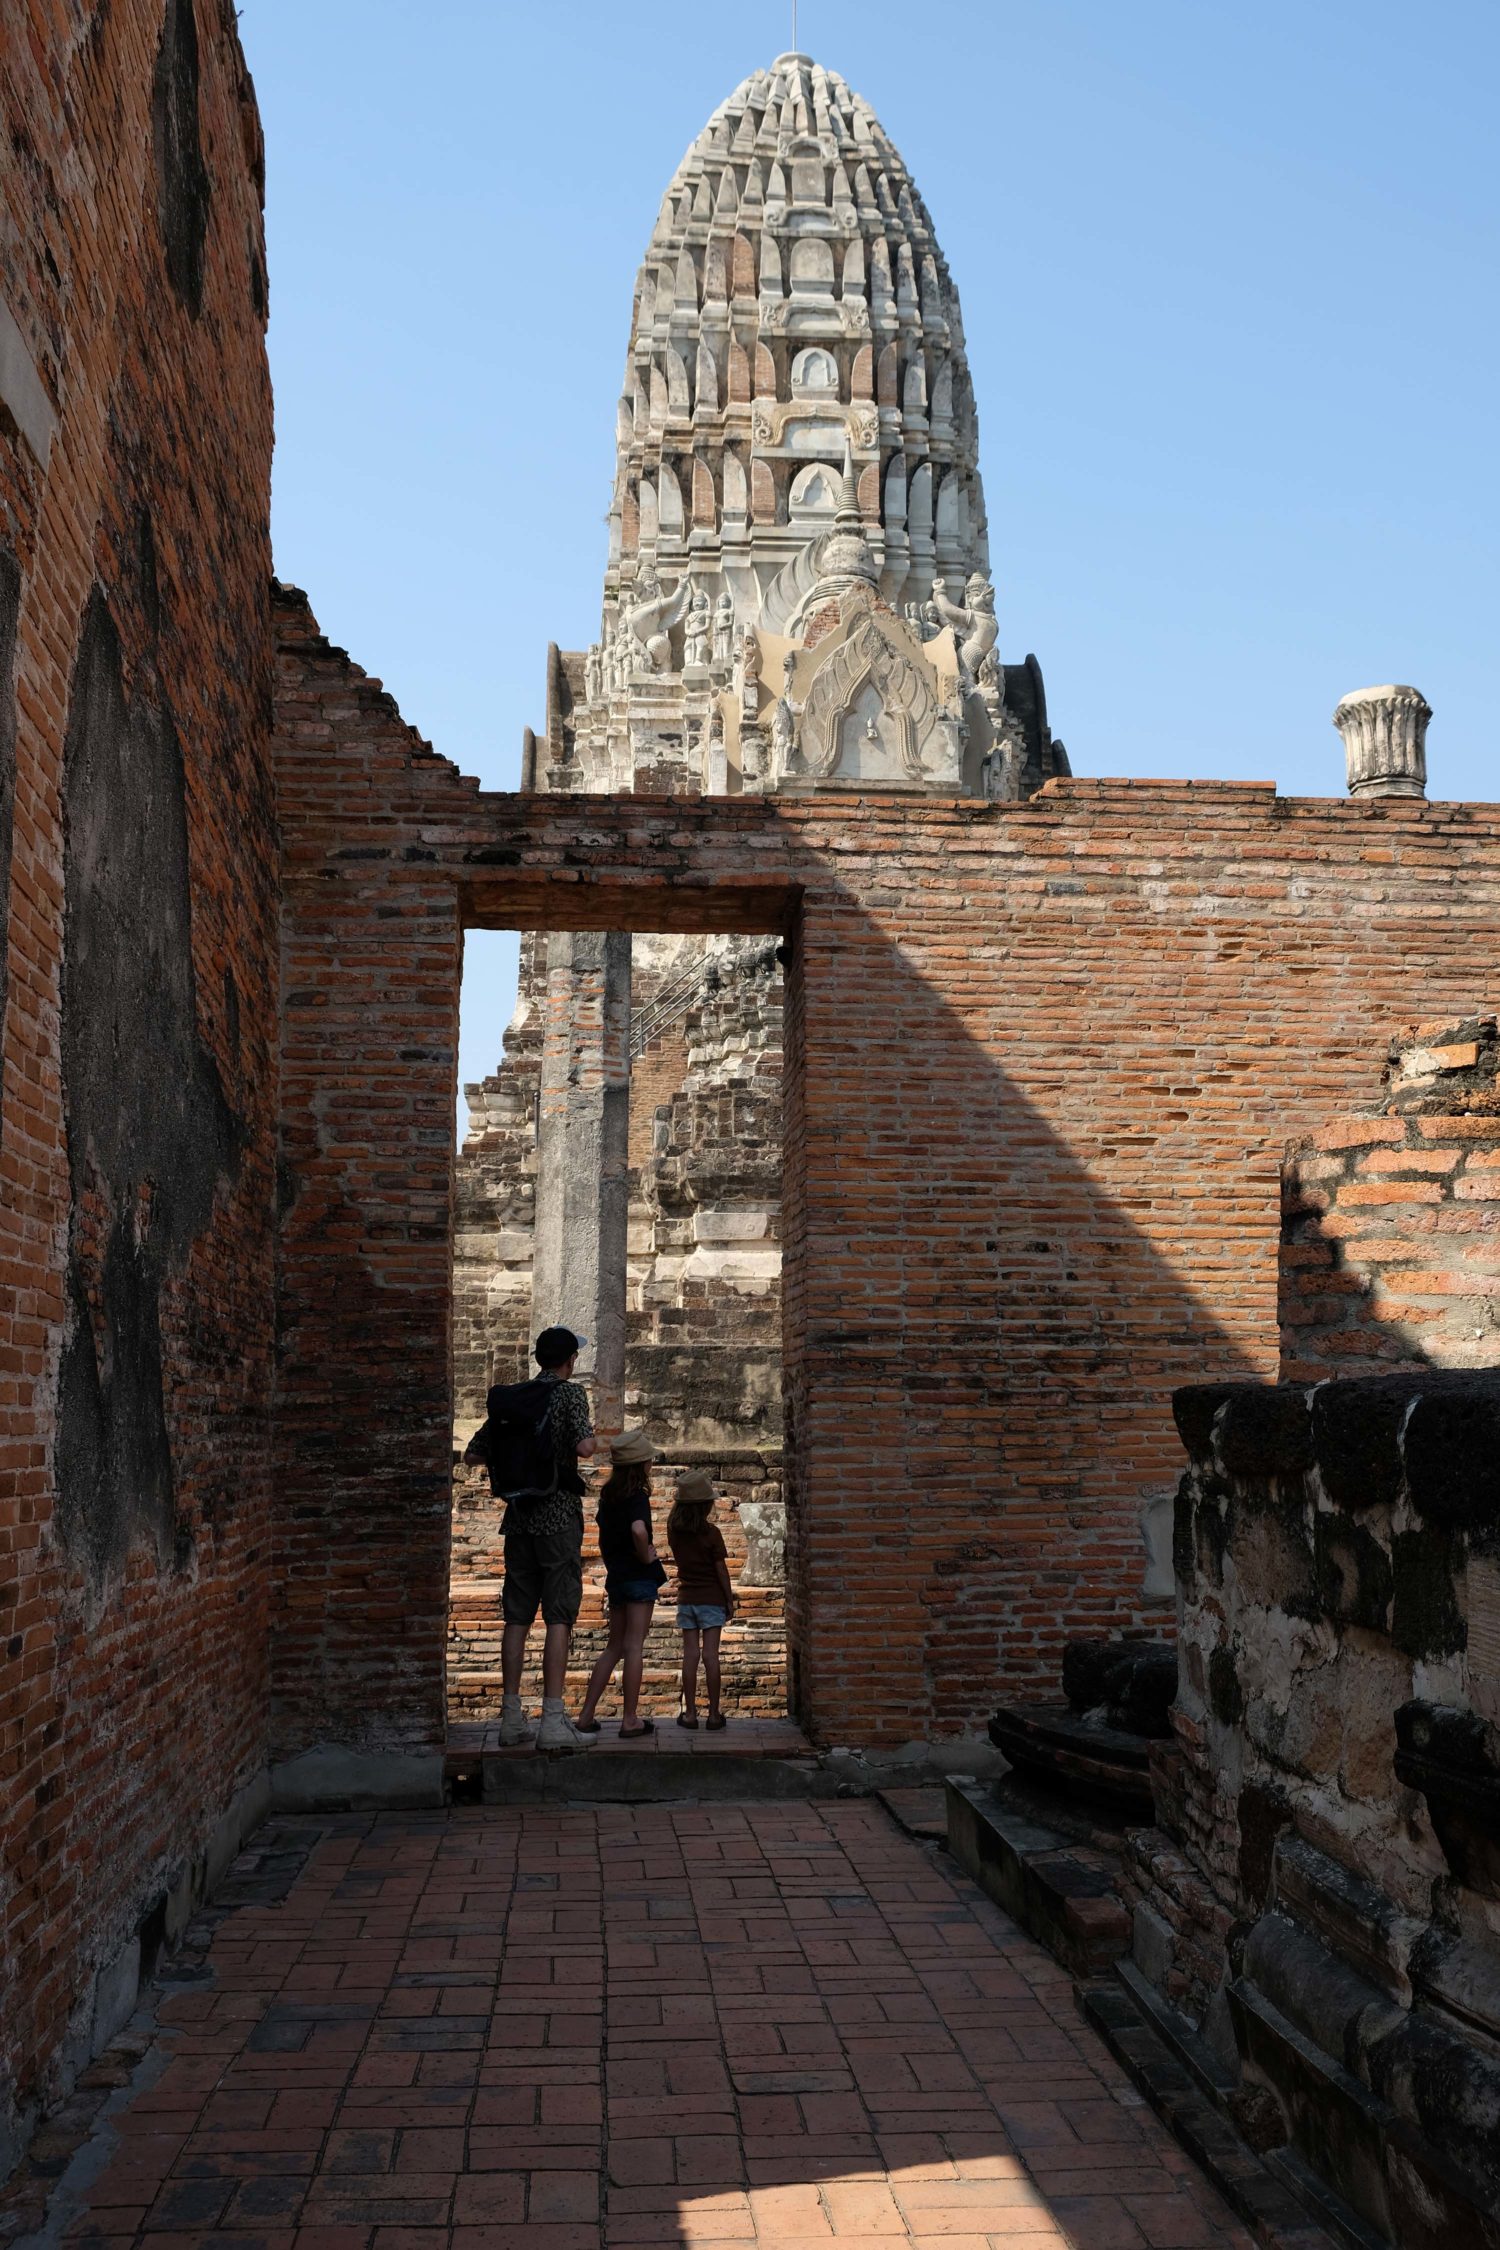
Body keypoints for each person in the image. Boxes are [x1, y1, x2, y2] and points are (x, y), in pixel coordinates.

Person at [465, 1325, 596, 1752]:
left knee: (517, 1617)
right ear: (569, 1360)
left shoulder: (514, 1398)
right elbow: (586, 1449)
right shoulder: (569, 1395)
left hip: (519, 1519)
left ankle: (510, 1718)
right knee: (559, 1615)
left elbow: (474, 1453)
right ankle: (553, 1720)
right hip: (557, 1515)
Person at [575, 1430, 664, 1739]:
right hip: (638, 1577)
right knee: (634, 1645)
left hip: (617, 1578)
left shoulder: (608, 1497)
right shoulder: (637, 1495)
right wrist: (645, 1556)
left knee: (614, 1647)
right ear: (640, 1465)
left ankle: (585, 1717)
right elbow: (639, 1531)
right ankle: (629, 1719)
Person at [666, 1470, 734, 1731]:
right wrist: (729, 1600)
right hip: (712, 1599)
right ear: (705, 1504)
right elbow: (721, 1571)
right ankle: (714, 1715)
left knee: (690, 1656)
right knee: (711, 1656)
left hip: (687, 1599)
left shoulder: (674, 1531)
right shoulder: (712, 1533)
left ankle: (691, 1714)